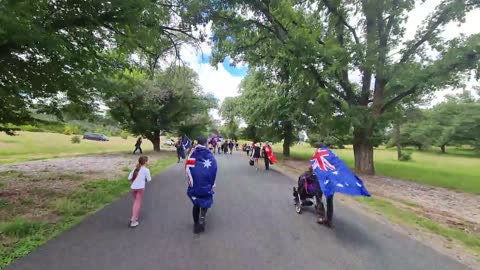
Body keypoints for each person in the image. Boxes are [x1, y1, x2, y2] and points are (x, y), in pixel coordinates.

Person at [186, 137, 218, 234]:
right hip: (206, 183)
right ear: (206, 143)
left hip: (195, 183)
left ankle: (196, 224)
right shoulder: (209, 154)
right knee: (205, 200)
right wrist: (212, 182)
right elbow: (214, 168)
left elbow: (188, 168)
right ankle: (202, 219)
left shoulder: (193, 152)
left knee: (196, 204)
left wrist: (190, 182)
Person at [128, 156, 152, 228]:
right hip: (140, 188)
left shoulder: (135, 169)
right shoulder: (146, 170)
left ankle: (135, 216)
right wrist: (142, 180)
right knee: (137, 203)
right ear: (145, 162)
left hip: (133, 188)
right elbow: (149, 179)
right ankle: (133, 221)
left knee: (136, 202)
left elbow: (129, 178)